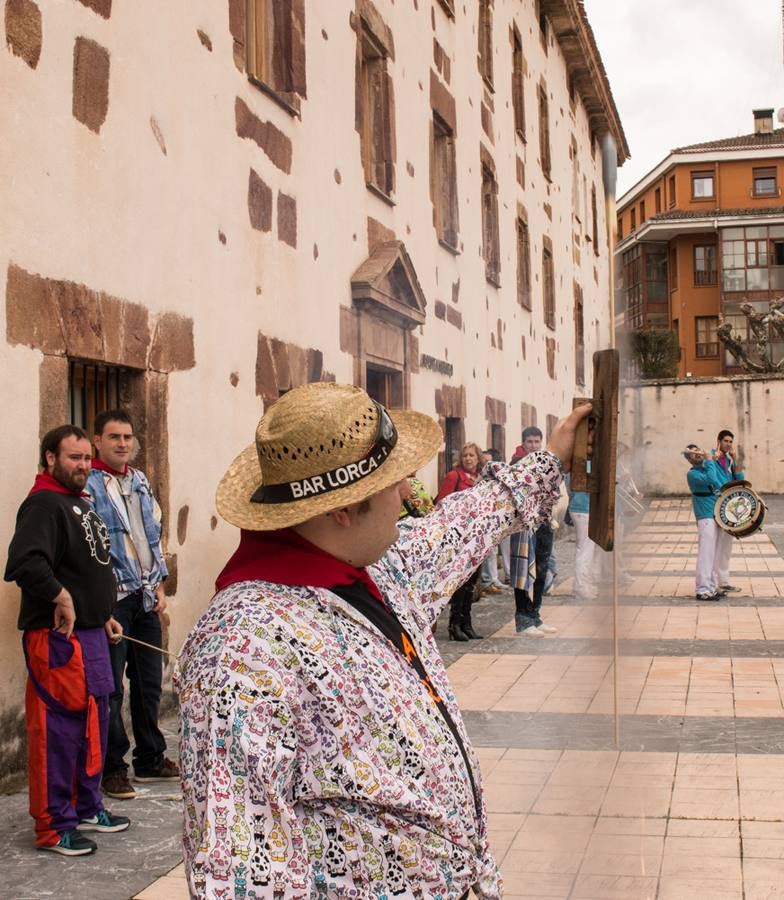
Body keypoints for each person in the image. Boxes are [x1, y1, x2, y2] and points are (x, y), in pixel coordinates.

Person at [176, 383, 589, 897]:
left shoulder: (373, 568)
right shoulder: (243, 649)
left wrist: (551, 456)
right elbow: (240, 872)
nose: (408, 492)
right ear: (344, 510)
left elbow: (460, 526)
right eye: (394, 481)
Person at [4, 425, 130, 856]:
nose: (82, 465)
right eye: (73, 458)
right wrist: (61, 597)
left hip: (93, 633)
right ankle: (54, 825)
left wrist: (104, 615)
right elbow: (25, 563)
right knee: (57, 731)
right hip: (59, 638)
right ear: (50, 459)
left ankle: (86, 807)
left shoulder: (79, 502)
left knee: (93, 726)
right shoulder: (42, 504)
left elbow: (87, 568)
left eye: (84, 458)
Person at [87, 410, 179, 801]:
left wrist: (159, 583)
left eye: (127, 436)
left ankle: (150, 757)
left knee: (147, 684)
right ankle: (112, 768)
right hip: (113, 598)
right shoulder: (88, 486)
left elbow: (153, 532)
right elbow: (87, 548)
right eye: (113, 437)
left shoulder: (139, 480)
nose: (122, 443)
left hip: (145, 595)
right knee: (110, 689)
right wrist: (98, 603)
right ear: (97, 441)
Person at [509, 426, 558, 636]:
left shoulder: (545, 463)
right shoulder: (515, 465)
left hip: (544, 523)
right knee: (522, 573)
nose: (534, 445)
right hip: (523, 526)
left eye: (537, 441)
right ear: (523, 443)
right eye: (530, 441)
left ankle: (535, 615)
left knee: (541, 570)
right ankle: (523, 619)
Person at [435, 441, 486, 640]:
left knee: (472, 582)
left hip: (477, 535)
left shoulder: (481, 478)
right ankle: (454, 625)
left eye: (471, 455)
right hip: (459, 535)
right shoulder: (453, 476)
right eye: (465, 455)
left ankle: (467, 623)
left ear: (478, 458)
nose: (468, 459)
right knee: (459, 581)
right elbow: (442, 503)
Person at [684, 443, 725, 601]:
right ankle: (702, 589)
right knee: (706, 554)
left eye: (698, 450)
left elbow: (720, 483)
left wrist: (714, 462)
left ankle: (712, 587)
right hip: (705, 516)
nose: (697, 454)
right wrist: (709, 460)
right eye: (693, 453)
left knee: (715, 554)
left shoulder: (708, 467)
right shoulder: (692, 474)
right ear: (689, 459)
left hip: (715, 514)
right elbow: (712, 479)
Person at [707, 429, 744, 593]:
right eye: (726, 441)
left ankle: (723, 580)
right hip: (716, 505)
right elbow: (712, 481)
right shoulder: (711, 458)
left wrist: (736, 462)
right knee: (716, 545)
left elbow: (740, 480)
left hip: (729, 506)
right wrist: (712, 460)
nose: (728, 444)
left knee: (727, 545)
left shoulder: (729, 461)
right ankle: (713, 582)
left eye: (730, 442)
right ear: (719, 441)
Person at [480, 449, 508, 594]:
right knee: (487, 552)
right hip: (483, 521)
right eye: (484, 461)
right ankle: (487, 581)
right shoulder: (480, 481)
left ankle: (493, 579)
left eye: (489, 462)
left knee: (493, 552)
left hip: (494, 520)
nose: (487, 465)